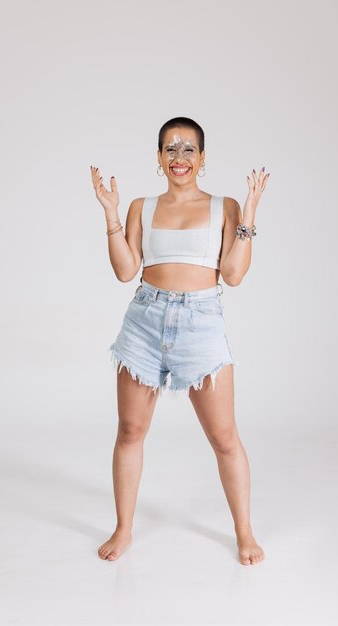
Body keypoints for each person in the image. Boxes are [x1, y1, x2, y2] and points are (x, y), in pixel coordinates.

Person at [90, 116, 270, 565]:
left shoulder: (224, 207)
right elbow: (125, 270)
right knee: (130, 431)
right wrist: (111, 213)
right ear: (158, 157)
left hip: (200, 321)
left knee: (224, 436)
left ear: (203, 158)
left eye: (189, 149)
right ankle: (124, 528)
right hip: (145, 319)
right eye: (170, 149)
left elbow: (232, 275)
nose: (179, 157)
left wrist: (248, 216)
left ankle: (245, 533)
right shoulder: (140, 207)